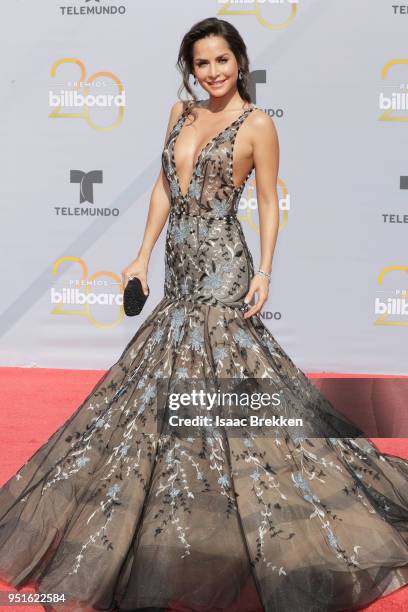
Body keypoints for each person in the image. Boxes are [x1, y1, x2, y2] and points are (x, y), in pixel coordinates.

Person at [1, 16, 408, 612]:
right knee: (164, 370)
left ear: (238, 61)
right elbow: (165, 187)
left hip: (223, 265)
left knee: (221, 372)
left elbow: (268, 200)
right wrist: (140, 255)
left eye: (221, 60)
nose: (212, 72)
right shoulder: (180, 115)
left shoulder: (258, 125)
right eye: (201, 63)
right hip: (177, 266)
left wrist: (265, 271)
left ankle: (233, 508)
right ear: (190, 69)